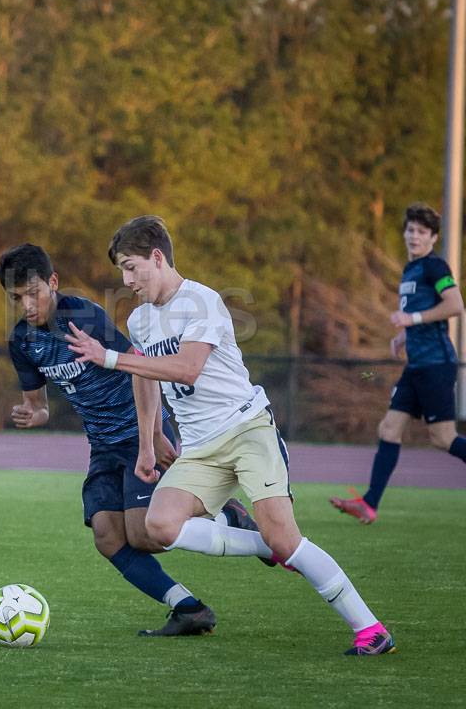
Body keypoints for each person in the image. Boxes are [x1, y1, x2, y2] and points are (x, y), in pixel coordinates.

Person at [64, 216, 394, 656]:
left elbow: (186, 369)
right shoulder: (141, 320)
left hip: (246, 431)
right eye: (121, 271)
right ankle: (260, 541)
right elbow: (145, 378)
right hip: (200, 447)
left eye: (131, 267)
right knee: (158, 526)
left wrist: (108, 357)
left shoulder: (202, 301)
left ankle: (371, 630)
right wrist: (147, 444)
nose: (126, 280)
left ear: (157, 257)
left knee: (287, 540)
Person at [0, 243, 265, 638]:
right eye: (16, 298)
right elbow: (38, 406)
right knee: (107, 535)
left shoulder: (83, 316)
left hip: (139, 432)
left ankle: (226, 514)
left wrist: (153, 435)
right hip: (102, 445)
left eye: (33, 293)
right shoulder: (22, 341)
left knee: (143, 534)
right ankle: (187, 608)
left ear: (53, 283)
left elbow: (142, 368)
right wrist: (32, 414)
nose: (27, 305)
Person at [331, 202, 466, 523]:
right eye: (410, 230)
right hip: (416, 366)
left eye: (421, 232)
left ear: (433, 238)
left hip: (436, 364)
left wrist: (412, 318)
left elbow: (455, 305)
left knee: (443, 438)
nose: (414, 236)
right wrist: (404, 335)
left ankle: (370, 502)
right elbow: (421, 316)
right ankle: (369, 504)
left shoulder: (435, 267)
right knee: (389, 428)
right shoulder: (410, 270)